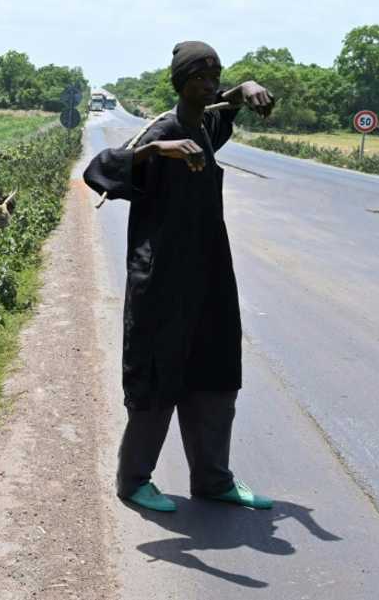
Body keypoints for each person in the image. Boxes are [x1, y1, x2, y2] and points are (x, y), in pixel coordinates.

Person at [84, 41, 275, 512]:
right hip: (163, 283)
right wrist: (155, 151)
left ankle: (213, 479)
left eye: (215, 77)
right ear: (181, 82)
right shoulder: (164, 130)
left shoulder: (204, 127)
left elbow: (223, 106)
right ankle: (134, 481)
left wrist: (244, 88)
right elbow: (98, 170)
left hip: (209, 278)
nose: (209, 85)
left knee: (214, 372)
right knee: (157, 376)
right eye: (200, 78)